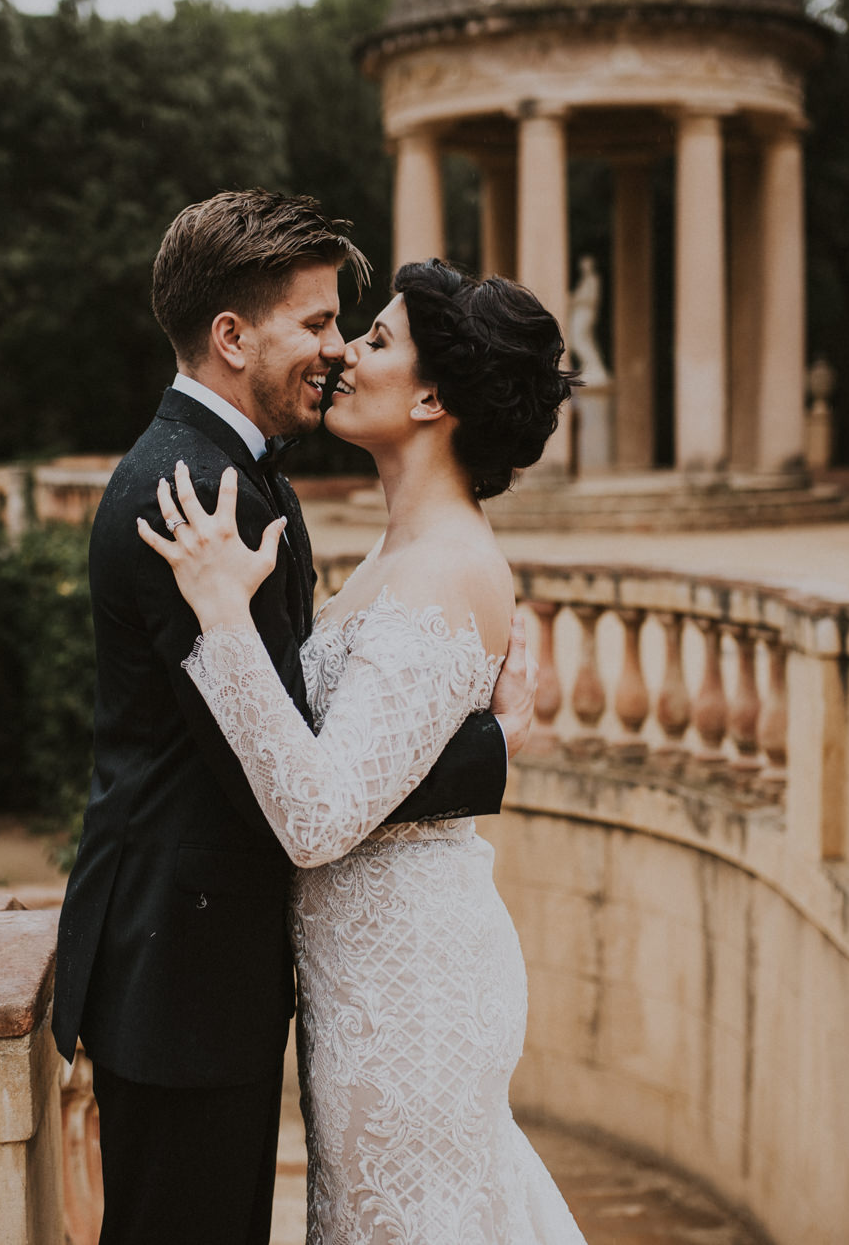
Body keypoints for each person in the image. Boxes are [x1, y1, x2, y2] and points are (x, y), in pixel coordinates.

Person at [52, 193, 535, 1245]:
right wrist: (482, 749)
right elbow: (289, 782)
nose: (336, 349)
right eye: (319, 324)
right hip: (180, 969)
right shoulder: (194, 493)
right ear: (231, 336)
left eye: (357, 331)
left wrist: (472, 722)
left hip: (333, 971)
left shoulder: (254, 482)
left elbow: (310, 740)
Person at [139, 258, 588, 1243]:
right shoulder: (401, 550)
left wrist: (220, 618)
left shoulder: (442, 569)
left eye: (376, 339)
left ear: (432, 396)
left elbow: (318, 815)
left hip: (409, 996)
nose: (344, 352)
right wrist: (491, 744)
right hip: (368, 986)